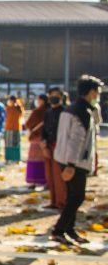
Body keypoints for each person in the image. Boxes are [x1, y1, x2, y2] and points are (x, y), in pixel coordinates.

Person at [51, 75, 103, 245]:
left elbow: (97, 123)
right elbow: (76, 140)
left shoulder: (74, 108)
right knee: (77, 197)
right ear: (91, 92)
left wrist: (95, 109)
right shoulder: (81, 112)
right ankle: (59, 230)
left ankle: (69, 230)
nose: (98, 95)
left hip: (65, 158)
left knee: (72, 196)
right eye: (97, 92)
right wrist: (72, 165)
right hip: (74, 161)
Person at [41, 88, 67, 209]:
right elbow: (44, 129)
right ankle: (53, 201)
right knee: (50, 175)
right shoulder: (48, 112)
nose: (53, 98)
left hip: (60, 145)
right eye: (51, 95)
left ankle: (61, 202)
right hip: (49, 145)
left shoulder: (66, 112)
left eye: (56, 96)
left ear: (61, 97)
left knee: (58, 176)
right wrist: (44, 144)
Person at [24, 94, 48, 189]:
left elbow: (29, 123)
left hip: (36, 139)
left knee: (34, 160)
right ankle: (46, 181)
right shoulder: (49, 110)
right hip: (47, 139)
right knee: (45, 161)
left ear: (41, 100)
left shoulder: (37, 111)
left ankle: (33, 181)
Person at [4, 95, 24, 163]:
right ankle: (10, 158)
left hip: (14, 128)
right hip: (10, 128)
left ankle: (15, 158)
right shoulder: (10, 108)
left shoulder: (16, 108)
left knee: (15, 144)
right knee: (9, 144)